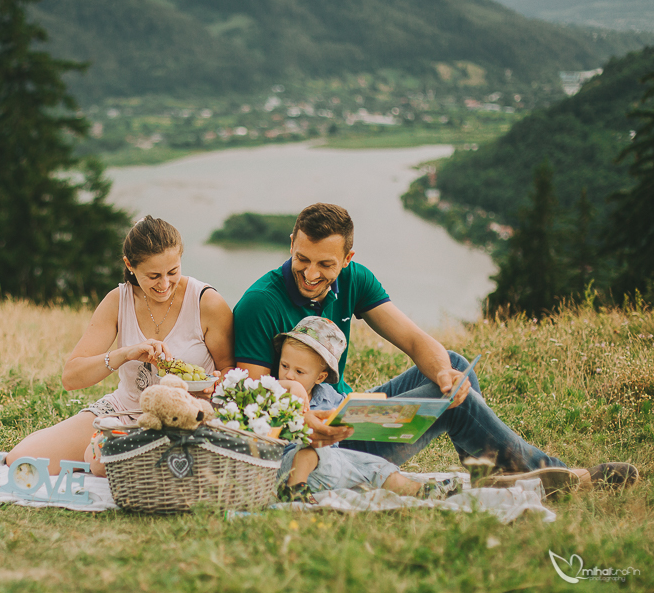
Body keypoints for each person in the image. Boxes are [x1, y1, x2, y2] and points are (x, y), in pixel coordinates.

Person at [233, 202, 639, 493]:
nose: (311, 273)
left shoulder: (355, 278)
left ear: (347, 258)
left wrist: (442, 373)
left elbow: (414, 340)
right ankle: (557, 476)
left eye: (326, 264)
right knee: (454, 401)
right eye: (302, 258)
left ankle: (489, 472)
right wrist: (309, 426)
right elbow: (254, 404)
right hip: (313, 443)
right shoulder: (259, 304)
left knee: (453, 366)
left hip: (344, 417)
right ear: (291, 244)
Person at [6, 216, 235, 475]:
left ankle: (127, 461)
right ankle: (125, 457)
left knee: (102, 461)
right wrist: (124, 354)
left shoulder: (207, 302)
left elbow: (229, 369)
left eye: (173, 272)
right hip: (125, 410)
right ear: (130, 265)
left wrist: (214, 386)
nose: (164, 284)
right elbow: (71, 378)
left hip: (183, 417)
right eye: (153, 276)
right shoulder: (118, 300)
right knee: (21, 460)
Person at [274, 316, 462, 502]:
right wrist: (292, 390)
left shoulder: (330, 396)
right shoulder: (275, 391)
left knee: (375, 465)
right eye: (284, 366)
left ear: (320, 377)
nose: (289, 375)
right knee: (311, 447)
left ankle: (420, 491)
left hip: (333, 465)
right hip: (287, 466)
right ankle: (293, 491)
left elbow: (349, 416)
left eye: (299, 372)